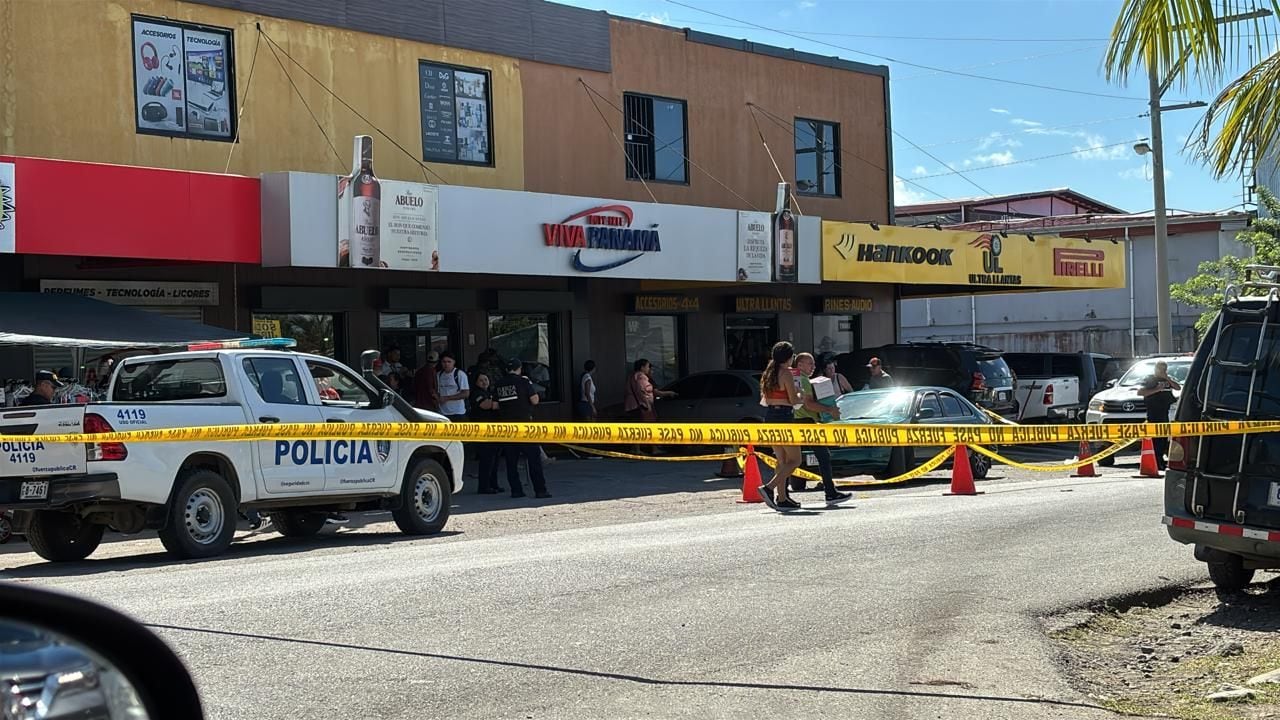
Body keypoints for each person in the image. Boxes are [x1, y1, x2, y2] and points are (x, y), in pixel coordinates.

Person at [793, 352, 853, 505]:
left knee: (791, 459)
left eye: (813, 364)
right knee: (823, 456)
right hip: (807, 422)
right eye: (809, 364)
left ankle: (782, 494)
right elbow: (808, 404)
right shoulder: (804, 380)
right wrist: (829, 410)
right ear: (799, 365)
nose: (813, 367)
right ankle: (830, 493)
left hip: (796, 421)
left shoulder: (794, 378)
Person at [493, 357, 550, 499]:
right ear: (519, 369)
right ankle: (540, 490)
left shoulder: (499, 384)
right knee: (533, 459)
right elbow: (535, 400)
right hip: (525, 427)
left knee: (511, 462)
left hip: (507, 428)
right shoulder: (523, 381)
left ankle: (516, 490)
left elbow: (494, 405)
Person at [758, 342, 804, 512]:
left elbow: (767, 400)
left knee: (781, 460)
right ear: (788, 357)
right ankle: (769, 488)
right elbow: (793, 400)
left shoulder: (769, 373)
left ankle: (782, 498)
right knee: (796, 460)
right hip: (784, 416)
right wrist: (800, 395)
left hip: (770, 416)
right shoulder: (786, 373)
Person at [624, 358, 676, 454]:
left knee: (636, 428)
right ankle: (651, 449)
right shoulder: (641, 377)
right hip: (641, 406)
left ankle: (636, 448)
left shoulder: (632, 376)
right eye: (648, 366)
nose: (649, 369)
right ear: (642, 367)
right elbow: (643, 391)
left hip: (633, 405)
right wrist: (647, 404)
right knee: (648, 427)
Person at [1138, 360, 1181, 471]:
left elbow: (1178, 388)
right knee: (1155, 439)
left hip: (1164, 412)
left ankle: (1160, 460)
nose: (1162, 371)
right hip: (1154, 412)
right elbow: (1141, 392)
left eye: (1164, 369)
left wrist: (1167, 378)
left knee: (1163, 438)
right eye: (1160, 369)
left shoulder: (1167, 379)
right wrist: (1157, 389)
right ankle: (1156, 460)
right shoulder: (1150, 379)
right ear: (1156, 369)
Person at [470, 373, 503, 494]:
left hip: (495, 430)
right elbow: (485, 405)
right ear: (476, 382)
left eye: (486, 379)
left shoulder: (490, 393)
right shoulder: (476, 393)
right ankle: (484, 487)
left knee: (495, 459)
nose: (484, 382)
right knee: (486, 460)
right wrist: (503, 403)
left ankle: (494, 484)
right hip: (483, 431)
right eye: (481, 380)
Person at [436, 352, 470, 423]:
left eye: (449, 362)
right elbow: (437, 391)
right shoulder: (439, 375)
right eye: (444, 362)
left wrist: (447, 398)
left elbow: (466, 393)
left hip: (458, 412)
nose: (446, 364)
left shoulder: (460, 374)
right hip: (443, 412)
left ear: (454, 362)